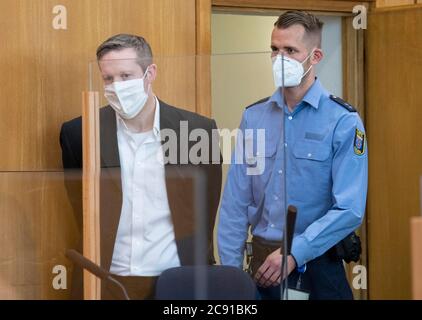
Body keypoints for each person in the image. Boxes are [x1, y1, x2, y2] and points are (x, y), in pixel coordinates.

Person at [218, 11, 368, 300]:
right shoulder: (254, 117)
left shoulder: (343, 120)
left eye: (290, 50)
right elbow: (236, 203)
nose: (279, 58)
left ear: (315, 56)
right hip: (261, 266)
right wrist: (230, 273)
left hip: (317, 264)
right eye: (274, 49)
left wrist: (295, 253)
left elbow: (349, 208)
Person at [60, 34, 222, 299]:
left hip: (175, 280)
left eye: (126, 76)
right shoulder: (79, 132)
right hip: (105, 280)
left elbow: (205, 209)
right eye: (108, 78)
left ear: (150, 73)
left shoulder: (195, 130)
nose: (117, 86)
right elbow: (79, 205)